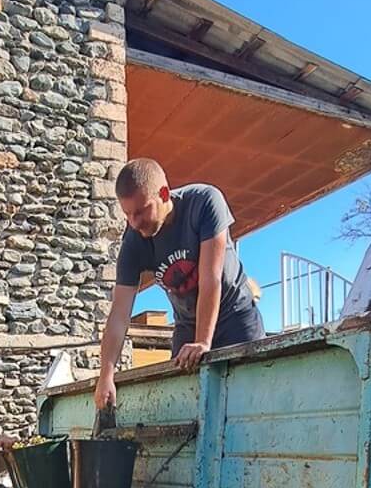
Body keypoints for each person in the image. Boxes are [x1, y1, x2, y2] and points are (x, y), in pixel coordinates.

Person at [95, 158, 265, 410]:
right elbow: (119, 313)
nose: (134, 222)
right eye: (127, 214)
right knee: (184, 409)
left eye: (141, 211)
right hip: (187, 326)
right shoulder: (134, 240)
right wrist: (106, 375)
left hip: (235, 318)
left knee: (248, 405)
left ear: (163, 194)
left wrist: (204, 343)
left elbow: (211, 279)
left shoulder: (205, 202)